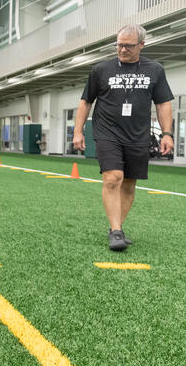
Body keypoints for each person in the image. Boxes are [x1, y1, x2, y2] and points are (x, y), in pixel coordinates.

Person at [72, 24, 174, 251]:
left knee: (128, 184)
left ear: (141, 45)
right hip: (107, 132)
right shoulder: (101, 70)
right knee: (112, 178)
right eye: (119, 45)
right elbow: (85, 101)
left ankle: (115, 228)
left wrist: (167, 133)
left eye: (128, 46)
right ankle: (117, 232)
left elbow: (163, 103)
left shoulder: (155, 70)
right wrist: (77, 131)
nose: (122, 50)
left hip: (137, 135)